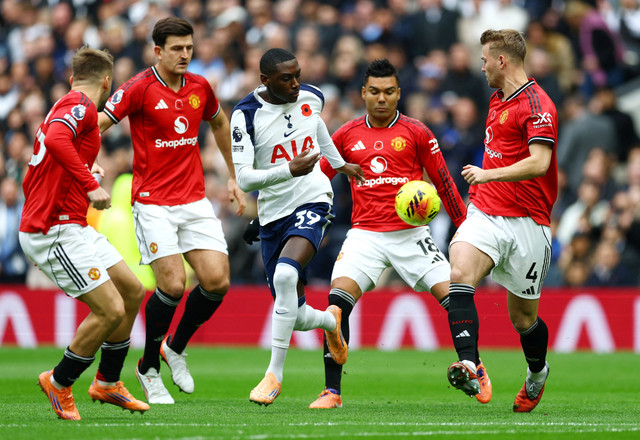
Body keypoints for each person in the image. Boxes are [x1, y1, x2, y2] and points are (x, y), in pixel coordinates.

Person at [307, 59, 491, 409]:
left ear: (399, 93)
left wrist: (466, 227)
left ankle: (473, 364)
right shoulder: (345, 135)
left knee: (456, 295)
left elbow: (443, 182)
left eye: (389, 92)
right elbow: (318, 179)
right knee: (336, 307)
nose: (381, 99)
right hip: (364, 235)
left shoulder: (417, 132)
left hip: (411, 235)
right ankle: (332, 391)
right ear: (363, 93)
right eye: (374, 92)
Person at [98, 17, 246, 404]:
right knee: (173, 285)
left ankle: (174, 347)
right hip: (152, 203)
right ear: (158, 51)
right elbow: (97, 123)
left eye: (189, 48)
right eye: (177, 48)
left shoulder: (200, 87)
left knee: (217, 281)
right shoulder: (139, 88)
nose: (185, 55)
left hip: (194, 200)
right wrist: (85, 164)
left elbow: (218, 122)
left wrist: (232, 176)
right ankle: (148, 367)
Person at [18, 46, 149, 420]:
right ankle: (59, 382)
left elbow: (54, 156)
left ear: (73, 76)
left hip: (71, 222)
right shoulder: (81, 106)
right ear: (107, 82)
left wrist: (85, 177)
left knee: (132, 290)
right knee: (110, 309)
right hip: (53, 229)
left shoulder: (68, 102)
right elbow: (58, 141)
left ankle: (107, 382)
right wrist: (89, 185)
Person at [231, 48, 364, 406]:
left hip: (313, 199)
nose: (295, 84)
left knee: (287, 275)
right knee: (296, 312)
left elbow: (316, 126)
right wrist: (287, 170)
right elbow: (244, 179)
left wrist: (339, 164)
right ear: (265, 81)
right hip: (274, 214)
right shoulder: (245, 115)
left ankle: (273, 374)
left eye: (297, 75)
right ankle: (330, 322)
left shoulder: (312, 96)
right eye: (286, 79)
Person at [445, 29, 558, 413]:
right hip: (487, 211)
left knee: (523, 318)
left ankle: (538, 373)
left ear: (502, 60)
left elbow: (540, 163)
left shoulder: (538, 103)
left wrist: (488, 173)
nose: (481, 66)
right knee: (459, 272)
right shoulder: (497, 100)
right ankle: (471, 364)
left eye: (484, 59)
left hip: (529, 221)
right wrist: (486, 184)